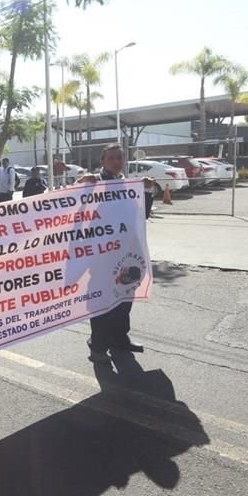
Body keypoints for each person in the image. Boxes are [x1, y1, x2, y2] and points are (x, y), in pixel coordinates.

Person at [79, 144, 154, 361]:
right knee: (102, 302)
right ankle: (98, 346)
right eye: (111, 158)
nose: (116, 161)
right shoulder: (94, 183)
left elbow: (141, 216)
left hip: (127, 255)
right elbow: (73, 209)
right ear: (102, 161)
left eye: (119, 157)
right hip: (101, 257)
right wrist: (81, 185)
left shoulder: (128, 185)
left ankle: (120, 339)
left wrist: (147, 191)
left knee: (124, 298)